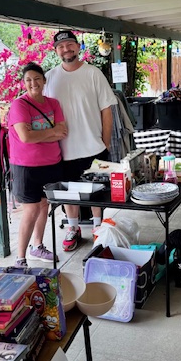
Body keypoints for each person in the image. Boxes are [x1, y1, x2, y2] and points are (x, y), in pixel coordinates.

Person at [44, 30, 118, 251]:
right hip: (63, 149)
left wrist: (105, 143)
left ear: (78, 47)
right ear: (56, 51)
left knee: (97, 192)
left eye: (70, 45)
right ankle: (73, 227)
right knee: (69, 193)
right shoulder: (49, 77)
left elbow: (107, 110)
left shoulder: (93, 73)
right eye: (61, 47)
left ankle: (98, 227)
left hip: (94, 146)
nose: (66, 50)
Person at [7, 63, 68, 269]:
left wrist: (38, 134)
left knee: (44, 205)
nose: (33, 83)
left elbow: (62, 131)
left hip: (51, 164)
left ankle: (38, 246)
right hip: (27, 166)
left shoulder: (53, 104)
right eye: (28, 80)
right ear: (23, 83)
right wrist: (51, 133)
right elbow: (25, 137)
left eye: (37, 79)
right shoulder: (20, 105)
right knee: (31, 209)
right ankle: (20, 258)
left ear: (44, 80)